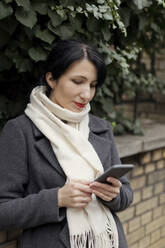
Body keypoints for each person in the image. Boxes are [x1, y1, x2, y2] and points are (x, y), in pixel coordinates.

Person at [0, 39, 133, 248]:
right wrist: (57, 199)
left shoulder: (101, 128)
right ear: (51, 79)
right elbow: (3, 211)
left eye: (92, 85)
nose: (86, 94)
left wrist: (114, 195)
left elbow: (126, 195)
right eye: (78, 82)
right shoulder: (20, 131)